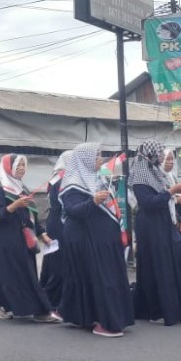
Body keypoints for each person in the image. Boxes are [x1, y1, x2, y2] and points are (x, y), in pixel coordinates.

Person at [130, 140, 181, 326]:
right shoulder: (140, 176)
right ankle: (161, 309)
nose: (162, 158)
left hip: (166, 224)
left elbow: (164, 198)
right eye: (160, 154)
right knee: (159, 267)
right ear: (151, 155)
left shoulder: (157, 173)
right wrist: (171, 193)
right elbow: (148, 202)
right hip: (151, 228)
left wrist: (175, 197)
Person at [59, 142, 134, 338]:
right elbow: (72, 211)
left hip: (102, 240)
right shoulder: (72, 183)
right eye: (97, 156)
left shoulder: (97, 179)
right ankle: (106, 321)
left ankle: (93, 316)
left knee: (103, 277)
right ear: (85, 159)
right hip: (86, 240)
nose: (100, 159)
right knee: (99, 278)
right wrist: (93, 201)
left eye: (100, 155)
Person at [0, 154, 59, 323]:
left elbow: (30, 215)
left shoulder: (21, 188)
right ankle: (40, 310)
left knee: (8, 272)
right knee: (22, 273)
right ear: (7, 167)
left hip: (22, 237)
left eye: (23, 166)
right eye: (17, 166)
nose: (21, 169)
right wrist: (14, 206)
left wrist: (42, 234)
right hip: (5, 238)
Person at [39, 151, 69, 313]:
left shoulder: (55, 177)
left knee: (52, 261)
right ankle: (51, 300)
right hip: (60, 222)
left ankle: (44, 296)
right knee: (59, 262)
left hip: (53, 220)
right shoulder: (63, 178)